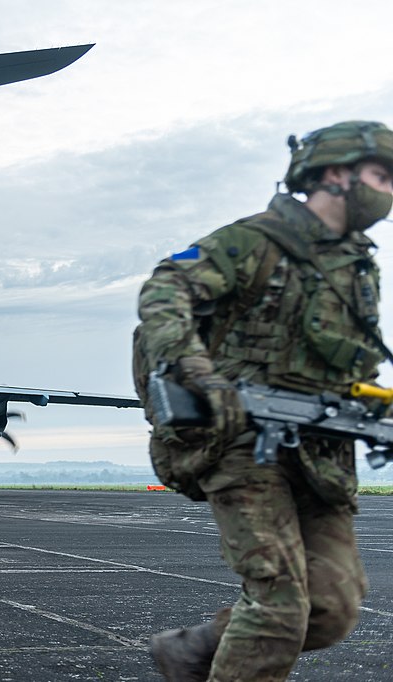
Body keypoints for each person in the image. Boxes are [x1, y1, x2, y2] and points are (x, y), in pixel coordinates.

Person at [134, 121, 393, 681]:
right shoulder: (255, 241)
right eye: (380, 175)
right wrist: (198, 372)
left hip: (321, 448)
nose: (388, 191)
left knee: (330, 610)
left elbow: (345, 362)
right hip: (240, 440)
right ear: (334, 174)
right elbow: (166, 287)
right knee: (279, 606)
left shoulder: (358, 266)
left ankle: (192, 649)